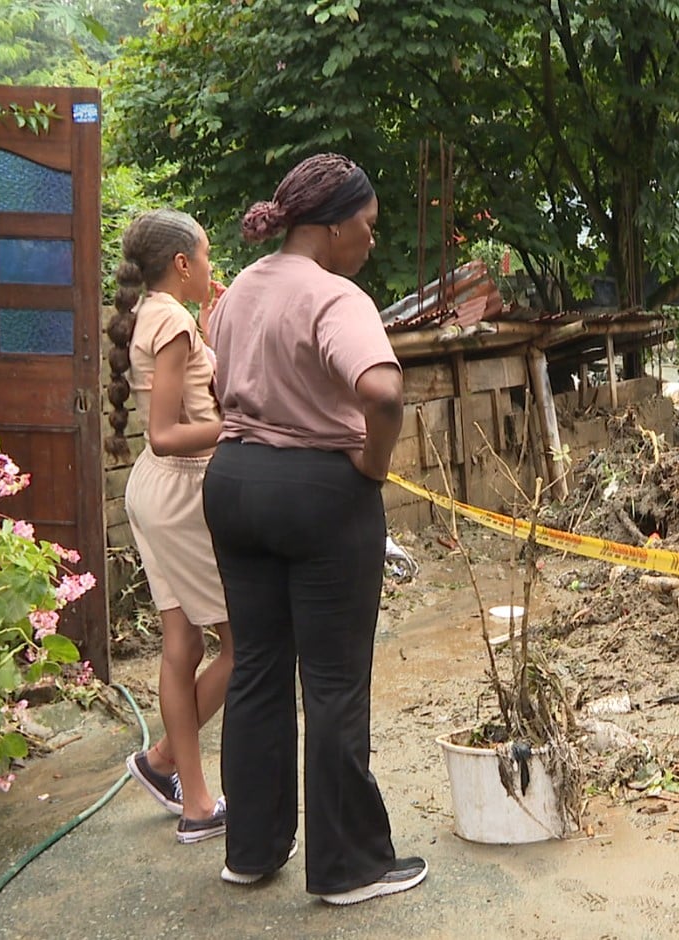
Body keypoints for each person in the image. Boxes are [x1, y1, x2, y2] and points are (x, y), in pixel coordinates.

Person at [202, 153, 423, 904]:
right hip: (319, 493)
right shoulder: (337, 296)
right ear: (331, 227)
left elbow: (218, 384)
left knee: (257, 668)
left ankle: (252, 850)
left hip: (233, 483)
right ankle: (348, 867)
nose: (371, 240)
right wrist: (372, 466)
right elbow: (383, 392)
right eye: (367, 226)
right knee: (332, 683)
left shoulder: (239, 291)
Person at [109, 209, 233, 845]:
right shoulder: (172, 321)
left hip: (158, 491)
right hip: (181, 492)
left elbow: (189, 397)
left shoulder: (157, 314)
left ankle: (177, 781)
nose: (211, 266)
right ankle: (181, 782)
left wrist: (209, 325)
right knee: (246, 644)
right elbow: (164, 433)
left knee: (183, 644)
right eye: (206, 255)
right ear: (182, 264)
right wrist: (244, 428)